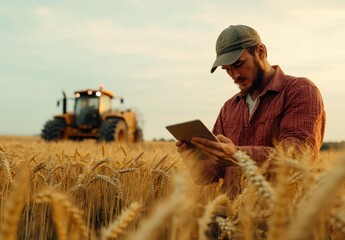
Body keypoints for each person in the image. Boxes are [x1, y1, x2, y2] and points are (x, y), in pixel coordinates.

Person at [176, 24, 326, 198]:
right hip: (230, 219)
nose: (234, 75)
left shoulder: (300, 90)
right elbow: (208, 177)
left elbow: (299, 155)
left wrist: (238, 155)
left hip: (280, 218)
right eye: (227, 70)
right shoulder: (229, 108)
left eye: (238, 64)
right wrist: (192, 160)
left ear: (260, 52)